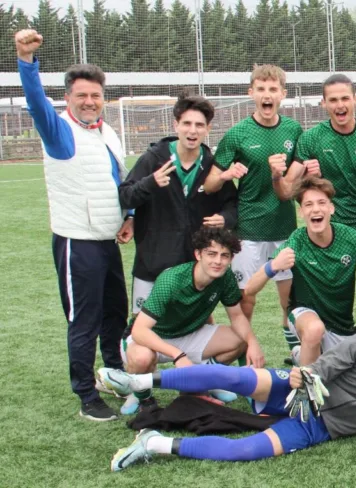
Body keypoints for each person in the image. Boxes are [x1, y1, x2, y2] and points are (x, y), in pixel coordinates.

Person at [103, 285, 356, 472]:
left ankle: (155, 444)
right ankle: (141, 382)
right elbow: (328, 365)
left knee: (245, 451)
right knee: (239, 379)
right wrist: (307, 375)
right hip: (305, 388)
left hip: (321, 426)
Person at [16, 28, 133, 421]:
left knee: (115, 312)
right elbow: (36, 103)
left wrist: (129, 217)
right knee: (84, 320)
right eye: (81, 95)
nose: (89, 101)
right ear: (67, 98)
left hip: (106, 240)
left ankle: (113, 375)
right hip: (77, 242)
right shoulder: (59, 131)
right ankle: (86, 395)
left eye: (95, 95)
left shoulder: (107, 131)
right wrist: (27, 61)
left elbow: (119, 180)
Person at [201, 64, 304, 359]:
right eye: (261, 89)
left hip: (285, 229)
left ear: (283, 94)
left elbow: (295, 182)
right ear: (251, 93)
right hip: (248, 230)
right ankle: (242, 362)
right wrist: (225, 175)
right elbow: (209, 184)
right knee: (246, 299)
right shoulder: (237, 134)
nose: (267, 95)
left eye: (273, 89)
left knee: (291, 300)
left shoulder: (294, 130)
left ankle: (297, 353)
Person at [245, 178, 356, 366]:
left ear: (331, 208)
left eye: (322, 202)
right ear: (301, 212)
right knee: (315, 330)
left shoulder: (351, 238)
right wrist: (272, 266)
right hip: (303, 315)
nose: (316, 209)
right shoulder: (297, 241)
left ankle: (301, 355)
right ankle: (305, 382)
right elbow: (249, 289)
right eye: (308, 204)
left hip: (341, 328)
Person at [119, 94, 238, 318]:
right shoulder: (153, 159)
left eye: (199, 125)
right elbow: (125, 197)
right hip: (152, 263)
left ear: (208, 129)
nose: (192, 131)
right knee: (141, 327)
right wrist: (150, 183)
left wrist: (225, 218)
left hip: (194, 265)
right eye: (187, 123)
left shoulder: (211, 165)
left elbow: (233, 203)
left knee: (199, 322)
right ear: (176, 125)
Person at [120, 227, 265, 408]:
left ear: (231, 259)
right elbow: (140, 330)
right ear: (198, 254)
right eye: (211, 254)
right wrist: (178, 355)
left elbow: (237, 317)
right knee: (142, 358)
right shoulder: (172, 280)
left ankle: (203, 382)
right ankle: (141, 395)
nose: (218, 261)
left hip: (188, 333)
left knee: (241, 339)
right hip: (151, 337)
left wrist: (252, 343)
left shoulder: (226, 277)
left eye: (224, 256)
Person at [285, 74, 356, 287]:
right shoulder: (311, 139)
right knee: (323, 286)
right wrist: (307, 178)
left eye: (345, 98)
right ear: (324, 103)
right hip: (329, 227)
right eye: (333, 100)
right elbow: (289, 188)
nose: (340, 105)